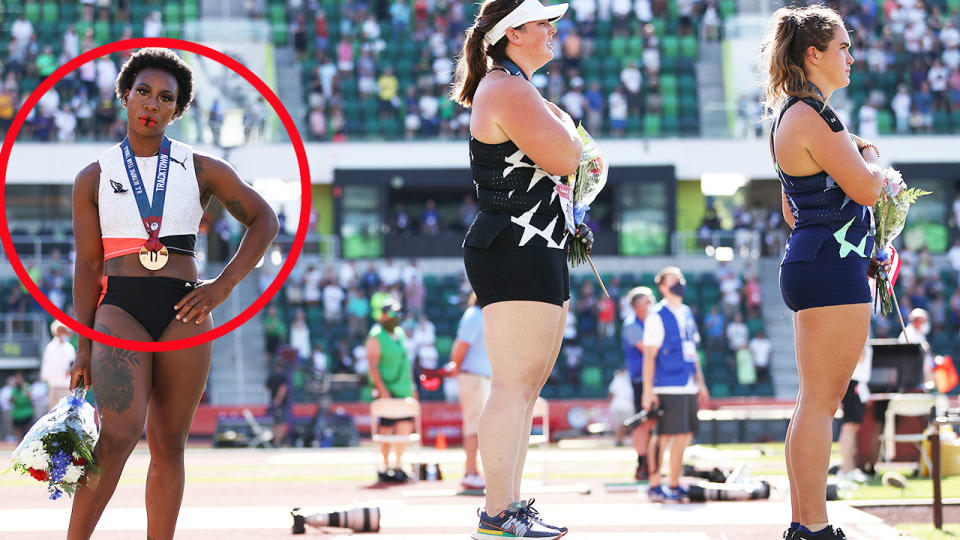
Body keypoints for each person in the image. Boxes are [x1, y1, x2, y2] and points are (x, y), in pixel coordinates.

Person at [68, 48, 279, 540]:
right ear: (124, 96)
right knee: (117, 435)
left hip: (186, 309)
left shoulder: (201, 168)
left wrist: (223, 286)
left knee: (169, 446)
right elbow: (88, 265)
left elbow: (264, 219)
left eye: (166, 98)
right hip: (119, 307)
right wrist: (82, 344)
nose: (152, 104)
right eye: (143, 91)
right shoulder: (93, 177)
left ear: (177, 110)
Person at [452, 0, 590, 536]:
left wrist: (567, 133)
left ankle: (507, 507)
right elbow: (567, 157)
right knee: (513, 386)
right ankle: (497, 511)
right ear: (513, 33)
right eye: (543, 23)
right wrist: (573, 135)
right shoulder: (506, 87)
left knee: (525, 388)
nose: (554, 30)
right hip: (515, 243)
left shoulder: (515, 87)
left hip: (535, 243)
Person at [759, 7, 886, 539]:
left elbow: (793, 211)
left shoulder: (794, 115)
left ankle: (806, 523)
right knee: (820, 402)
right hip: (831, 265)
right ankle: (811, 526)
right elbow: (867, 187)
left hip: (816, 258)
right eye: (843, 48)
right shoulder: (812, 115)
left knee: (814, 401)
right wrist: (873, 156)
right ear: (813, 55)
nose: (851, 57)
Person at [641, 267, 709, 503]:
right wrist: (648, 391)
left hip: (688, 382)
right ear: (661, 287)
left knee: (683, 436)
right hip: (667, 384)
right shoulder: (656, 314)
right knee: (662, 436)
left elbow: (693, 350)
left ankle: (674, 482)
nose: (679, 283)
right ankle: (654, 485)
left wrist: (700, 382)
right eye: (673, 281)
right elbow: (649, 355)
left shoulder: (687, 312)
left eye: (680, 279)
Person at [366, 299, 418, 483]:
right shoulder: (376, 335)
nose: (397, 317)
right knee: (386, 429)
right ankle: (385, 466)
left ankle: (398, 465)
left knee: (405, 427)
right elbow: (372, 365)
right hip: (388, 389)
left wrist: (412, 386)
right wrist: (381, 389)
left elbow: (406, 363)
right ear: (384, 314)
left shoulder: (400, 333)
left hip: (403, 388)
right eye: (393, 313)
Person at [444, 292, 492, 491]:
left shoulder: (482, 315)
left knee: (480, 427)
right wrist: (455, 366)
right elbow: (461, 345)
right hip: (473, 377)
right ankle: (470, 472)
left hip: (481, 378)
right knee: (474, 427)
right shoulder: (474, 315)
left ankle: (475, 471)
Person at [622, 286, 656, 480]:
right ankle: (642, 463)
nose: (651, 304)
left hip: (655, 378)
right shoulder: (631, 325)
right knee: (642, 422)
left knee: (654, 421)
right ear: (637, 305)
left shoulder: (651, 322)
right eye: (647, 301)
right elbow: (649, 350)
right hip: (641, 379)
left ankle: (651, 462)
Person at [837, 341, 871, 483]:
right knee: (848, 427)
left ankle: (849, 467)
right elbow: (860, 356)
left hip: (858, 385)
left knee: (852, 427)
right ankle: (845, 468)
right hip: (853, 384)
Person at [41, 320, 76, 410]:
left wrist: (70, 371)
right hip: (54, 386)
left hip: (66, 387)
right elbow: (46, 371)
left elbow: (72, 365)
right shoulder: (50, 348)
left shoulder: (69, 348)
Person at [266, 361, 291, 446]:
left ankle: (275, 440)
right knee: (282, 422)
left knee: (276, 422)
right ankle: (277, 441)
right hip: (281, 403)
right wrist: (278, 399)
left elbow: (266, 387)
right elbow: (283, 389)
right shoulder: (283, 376)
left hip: (273, 403)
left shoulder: (271, 376)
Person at [10, 372, 33, 442]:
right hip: (17, 413)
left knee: (28, 431)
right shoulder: (15, 388)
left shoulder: (27, 386)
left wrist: (24, 388)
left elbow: (30, 397)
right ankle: (18, 443)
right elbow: (12, 400)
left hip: (26, 412)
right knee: (18, 431)